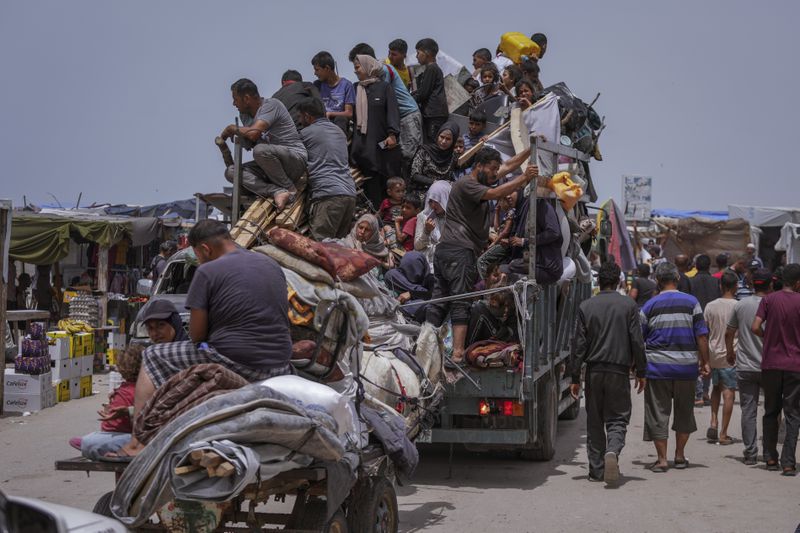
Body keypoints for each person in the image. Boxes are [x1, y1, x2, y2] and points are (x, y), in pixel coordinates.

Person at [112, 220, 293, 459]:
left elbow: (197, 335)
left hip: (238, 362)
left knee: (153, 355)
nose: (198, 261)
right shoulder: (271, 265)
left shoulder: (208, 271)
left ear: (205, 249)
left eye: (197, 256)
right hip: (280, 363)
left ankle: (138, 442)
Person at [425, 147, 535, 366]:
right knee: (460, 302)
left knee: (440, 301)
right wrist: (524, 177)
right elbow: (495, 194)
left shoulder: (482, 178)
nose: (496, 174)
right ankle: (457, 354)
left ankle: (425, 347)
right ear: (479, 167)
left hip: (448, 251)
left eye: (496, 170)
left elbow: (508, 165)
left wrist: (530, 149)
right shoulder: (467, 184)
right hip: (459, 252)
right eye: (492, 170)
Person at [570, 261, 647, 484]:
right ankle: (612, 450)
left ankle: (596, 470)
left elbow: (578, 346)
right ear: (619, 281)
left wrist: (575, 378)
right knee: (617, 419)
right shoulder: (629, 305)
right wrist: (641, 371)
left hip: (594, 371)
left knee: (594, 421)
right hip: (619, 371)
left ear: (599, 281)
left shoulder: (586, 306)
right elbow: (637, 341)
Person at [640, 262, 710, 472]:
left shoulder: (649, 305)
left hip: (657, 367)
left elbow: (639, 338)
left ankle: (662, 460)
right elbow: (702, 336)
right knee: (684, 412)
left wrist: (636, 366)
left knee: (657, 413)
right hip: (686, 368)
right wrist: (705, 361)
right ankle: (679, 456)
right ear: (677, 279)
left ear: (657, 281)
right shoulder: (692, 303)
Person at [221, 78, 308, 211]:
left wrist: (232, 129)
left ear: (246, 98)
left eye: (235, 99)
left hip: (293, 161)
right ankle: (276, 191)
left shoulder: (271, 105)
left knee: (260, 150)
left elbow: (254, 133)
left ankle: (290, 190)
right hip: (271, 166)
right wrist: (240, 137)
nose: (234, 103)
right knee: (231, 172)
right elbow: (250, 141)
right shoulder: (245, 116)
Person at [752, 263, 800, 475]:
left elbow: (755, 327)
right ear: (798, 283)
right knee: (793, 414)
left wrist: (768, 338)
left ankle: (770, 457)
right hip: (795, 365)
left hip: (770, 363)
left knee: (771, 410)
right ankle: (788, 462)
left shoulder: (768, 300)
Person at [348, 43, 422, 165]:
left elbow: (382, 98)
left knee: (409, 153)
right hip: (398, 117)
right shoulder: (369, 78)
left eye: (358, 65)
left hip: (407, 115)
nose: (355, 70)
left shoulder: (383, 71)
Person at [726, 268, 772, 465]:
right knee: (771, 410)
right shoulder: (775, 304)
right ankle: (769, 454)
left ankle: (751, 452)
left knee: (748, 410)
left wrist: (730, 352)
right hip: (771, 366)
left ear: (752, 285)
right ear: (770, 285)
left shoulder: (740, 305)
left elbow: (729, 333)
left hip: (745, 366)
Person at [297, 98, 357, 240]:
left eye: (300, 116)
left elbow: (294, 159)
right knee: (339, 247)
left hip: (328, 195)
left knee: (320, 247)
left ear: (307, 116)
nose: (299, 120)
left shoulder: (305, 134)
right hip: (349, 195)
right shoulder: (339, 132)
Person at [71, 345, 144, 460]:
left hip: (125, 436)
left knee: (90, 440)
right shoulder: (131, 389)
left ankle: (92, 445)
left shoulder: (132, 390)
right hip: (124, 435)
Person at [349, 54, 402, 211]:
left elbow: (392, 112)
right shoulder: (355, 88)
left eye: (357, 67)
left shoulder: (385, 87)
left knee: (385, 178)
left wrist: (392, 134)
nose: (355, 71)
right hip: (362, 145)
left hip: (381, 143)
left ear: (367, 66)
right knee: (369, 183)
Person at [704, 272, 740, 446]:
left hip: (713, 353)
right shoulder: (738, 306)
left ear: (720, 286)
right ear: (735, 286)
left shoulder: (710, 306)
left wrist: (702, 358)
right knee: (729, 393)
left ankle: (713, 421)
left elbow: (704, 332)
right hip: (730, 355)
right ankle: (724, 434)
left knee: (716, 388)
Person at [408, 121, 460, 200]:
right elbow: (415, 175)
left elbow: (465, 162)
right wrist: (435, 183)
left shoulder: (453, 156)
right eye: (442, 137)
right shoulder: (424, 151)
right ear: (437, 136)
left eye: (448, 139)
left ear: (454, 141)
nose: (443, 141)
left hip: (442, 194)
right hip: (421, 192)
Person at [413, 38, 448, 143]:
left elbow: (423, 93)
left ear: (427, 53)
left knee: (432, 143)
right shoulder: (433, 68)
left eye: (418, 52)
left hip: (434, 114)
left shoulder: (431, 68)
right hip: (435, 113)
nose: (416, 56)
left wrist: (408, 100)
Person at [311, 51, 355, 134]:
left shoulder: (346, 85)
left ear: (327, 68)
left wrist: (330, 113)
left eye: (317, 70)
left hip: (339, 124)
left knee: (340, 119)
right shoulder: (317, 85)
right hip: (322, 125)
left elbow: (349, 113)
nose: (315, 73)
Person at [384, 251, 433, 323]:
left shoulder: (432, 277)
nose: (410, 272)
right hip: (410, 289)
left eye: (413, 269)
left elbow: (434, 295)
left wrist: (411, 294)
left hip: (424, 299)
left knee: (424, 306)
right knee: (390, 275)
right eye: (407, 269)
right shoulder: (402, 274)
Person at [414, 180, 451, 269]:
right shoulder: (424, 216)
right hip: (427, 260)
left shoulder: (453, 217)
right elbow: (417, 246)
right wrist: (426, 231)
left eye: (437, 201)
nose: (433, 205)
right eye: (430, 201)